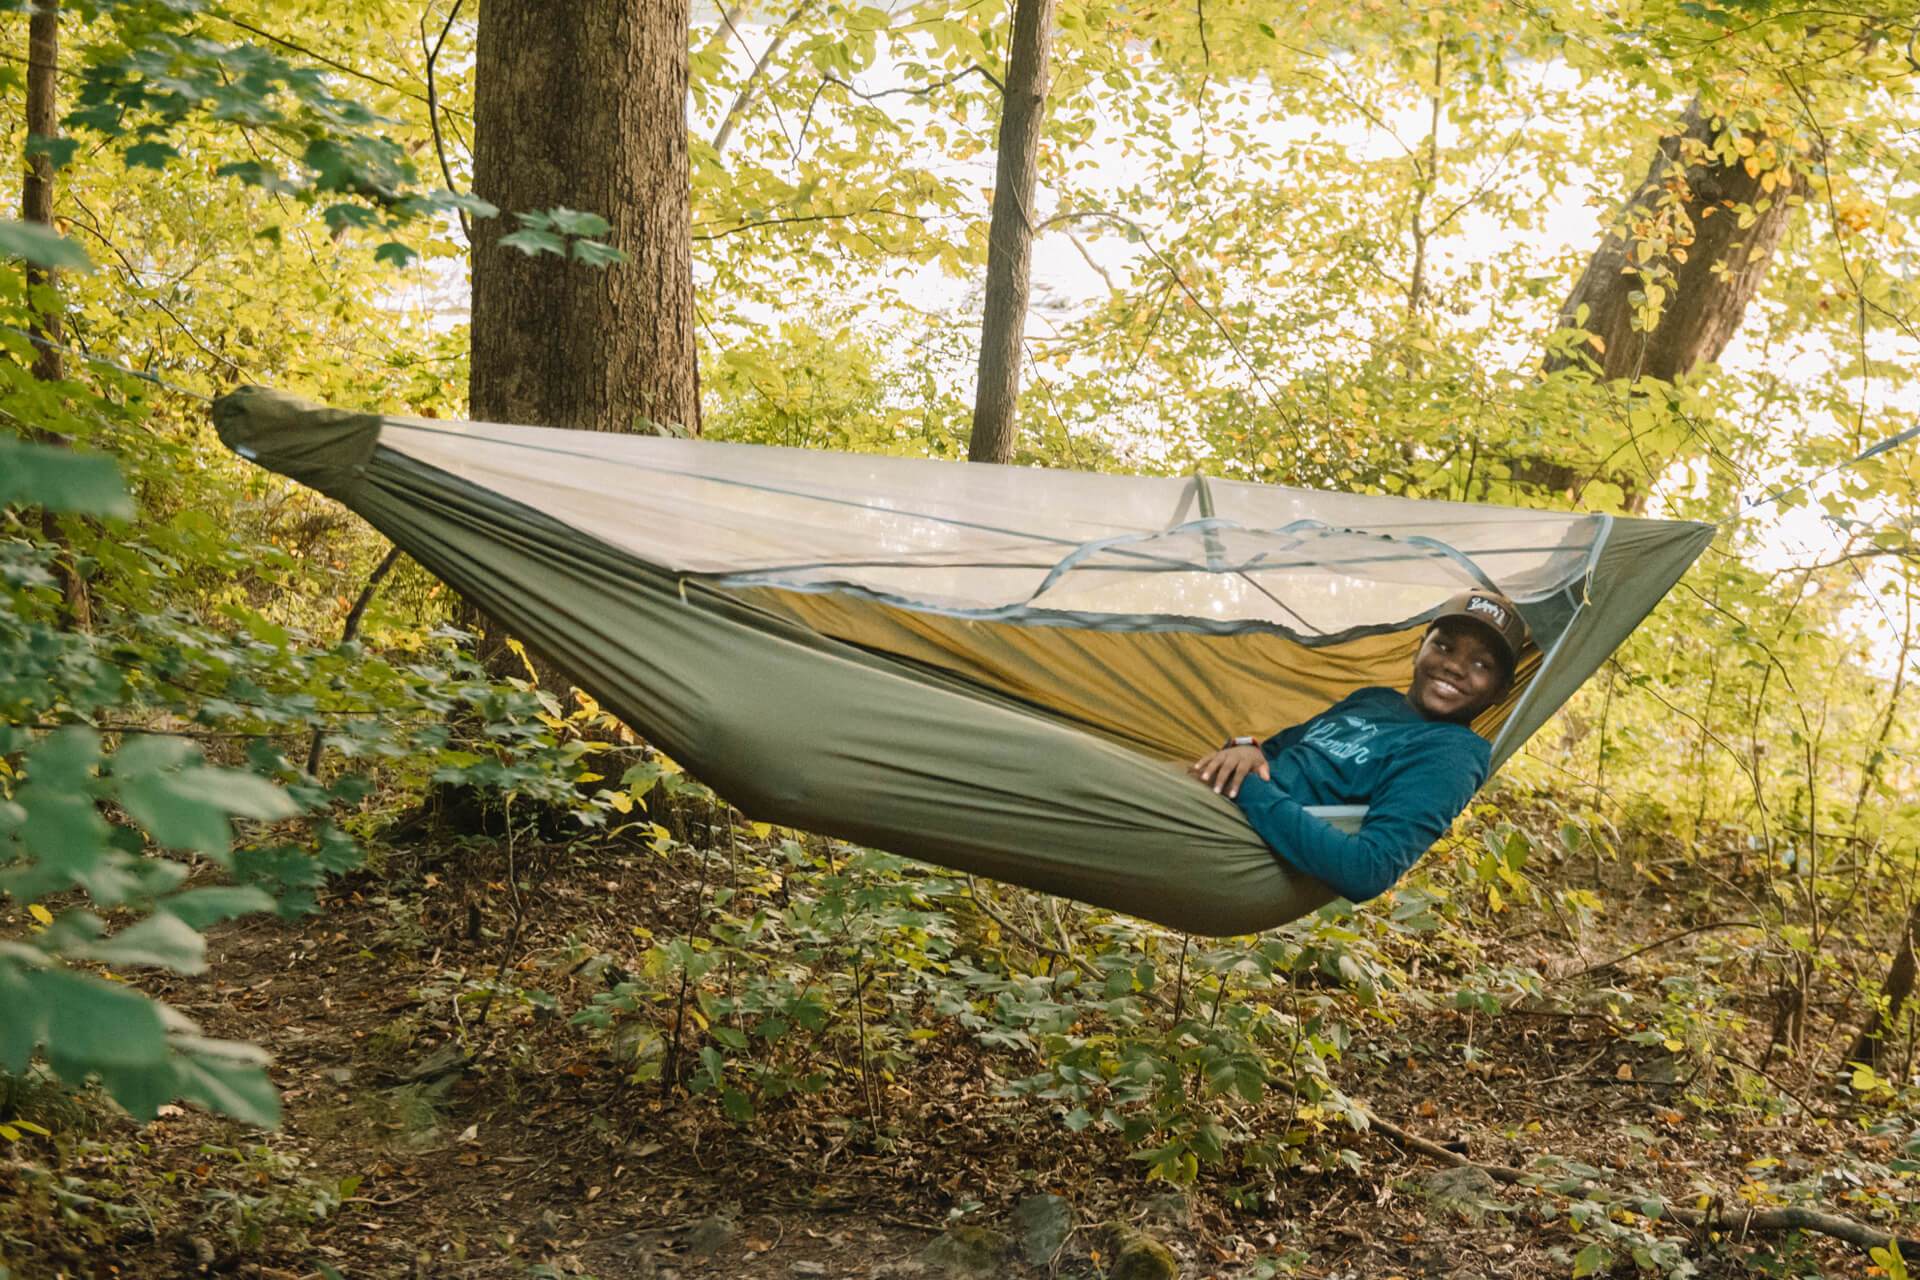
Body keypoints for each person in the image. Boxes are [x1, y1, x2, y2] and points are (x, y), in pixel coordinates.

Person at [1188, 588, 1530, 904]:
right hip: (1208, 801)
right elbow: (1271, 752)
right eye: (1444, 647)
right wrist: (1244, 746)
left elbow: (1368, 870)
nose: (1454, 666)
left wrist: (1245, 788)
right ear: (1418, 650)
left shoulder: (1452, 752)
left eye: (1481, 664)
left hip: (1239, 843)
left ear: (1500, 691)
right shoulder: (1371, 699)